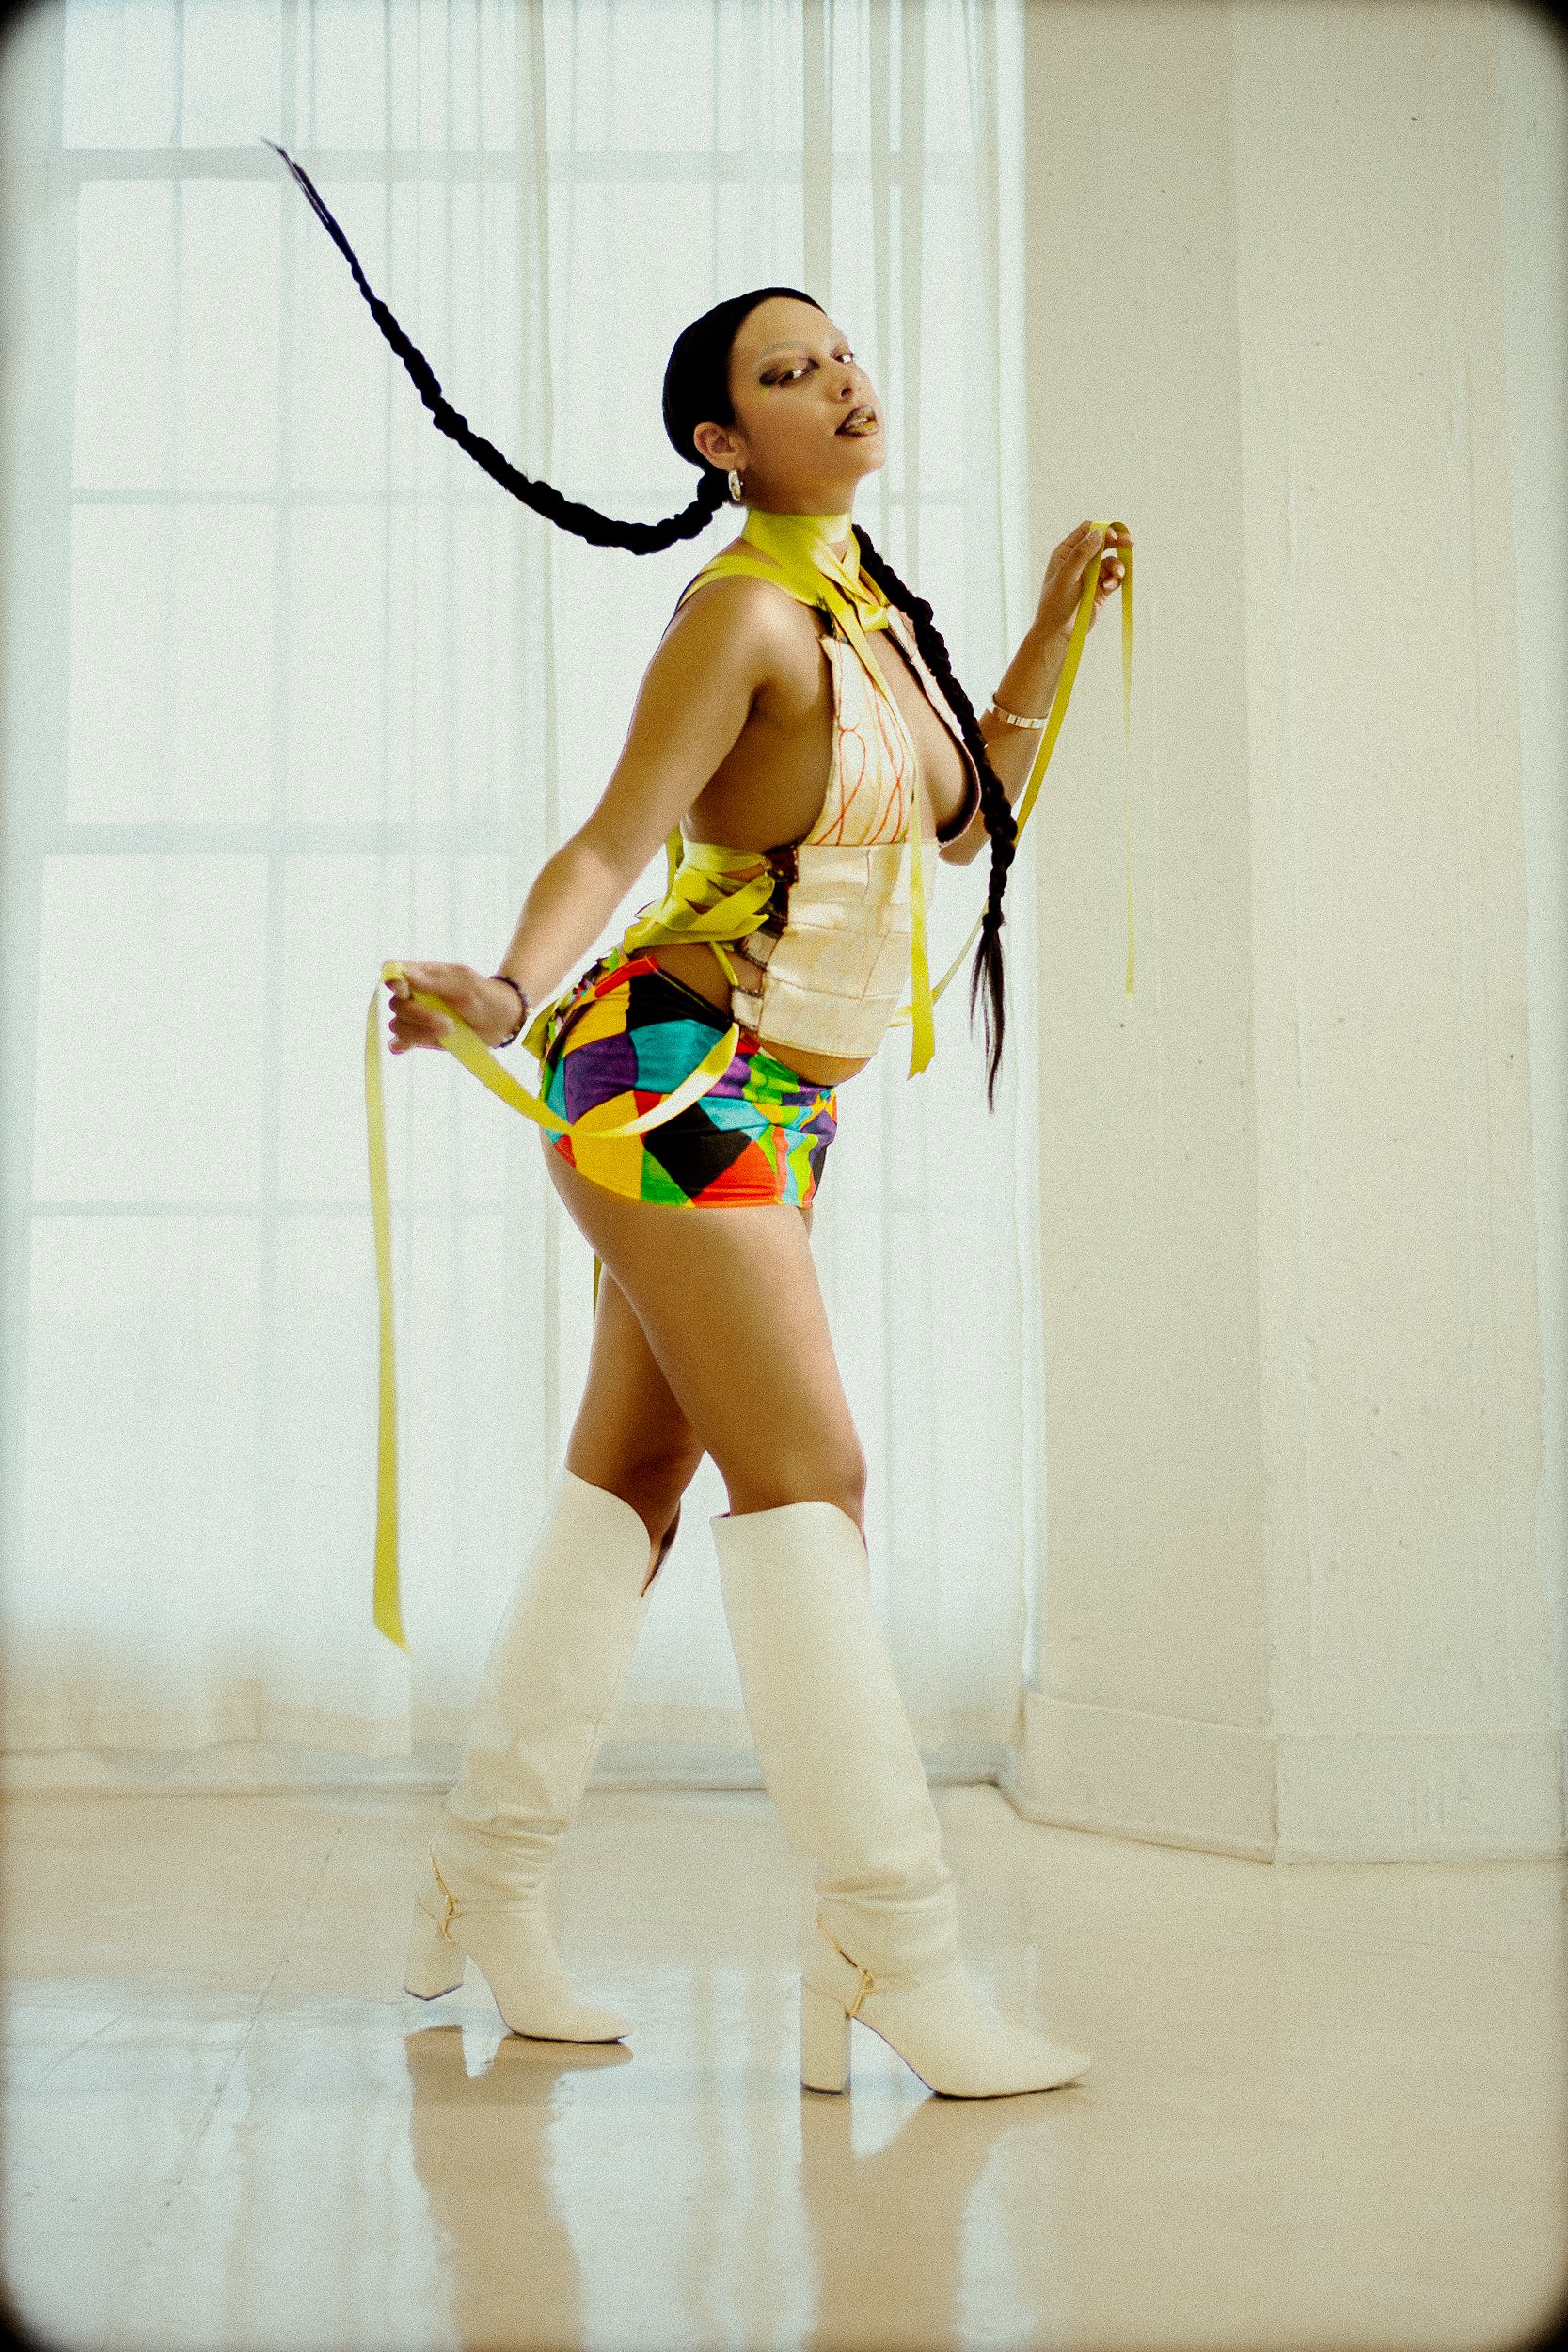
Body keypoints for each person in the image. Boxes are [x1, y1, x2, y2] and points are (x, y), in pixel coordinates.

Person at [268, 143, 1129, 2097]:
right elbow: (613, 839)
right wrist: (506, 987)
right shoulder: (739, 614)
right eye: (789, 371)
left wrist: (1052, 623)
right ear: (719, 441)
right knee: (811, 1476)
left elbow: (970, 817)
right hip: (665, 1069)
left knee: (635, 1483)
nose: (841, 381)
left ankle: (481, 1883)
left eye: (844, 354)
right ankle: (893, 1948)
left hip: (781, 1096)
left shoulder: (871, 614)